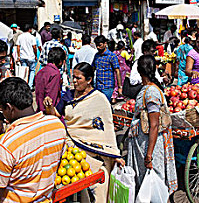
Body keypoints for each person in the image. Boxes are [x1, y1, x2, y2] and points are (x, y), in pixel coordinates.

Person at [43, 63, 124, 202]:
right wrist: (49, 107)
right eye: (73, 77)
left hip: (97, 151)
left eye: (78, 78)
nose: (74, 81)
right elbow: (56, 114)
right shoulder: (68, 95)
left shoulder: (99, 99)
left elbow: (107, 128)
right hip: (72, 147)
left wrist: (114, 153)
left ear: (89, 80)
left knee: (100, 182)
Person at [0, 77, 66, 203]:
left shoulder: (8, 144)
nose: (2, 115)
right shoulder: (56, 125)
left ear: (9, 108)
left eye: (1, 110)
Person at [127, 55, 177, 197]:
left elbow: (154, 125)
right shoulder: (149, 89)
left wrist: (149, 155)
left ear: (138, 70)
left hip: (150, 143)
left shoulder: (151, 92)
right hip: (145, 142)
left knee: (153, 180)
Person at [34, 47, 66, 113]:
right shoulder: (55, 73)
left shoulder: (41, 71)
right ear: (60, 61)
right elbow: (51, 96)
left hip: (40, 108)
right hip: (48, 111)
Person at [92, 35, 121, 101]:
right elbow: (93, 69)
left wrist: (119, 87)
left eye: (100, 45)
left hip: (108, 87)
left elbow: (117, 71)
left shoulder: (112, 56)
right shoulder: (96, 56)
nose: (98, 47)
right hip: (98, 86)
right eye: (96, 45)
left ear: (105, 44)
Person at [16, 24, 37, 89]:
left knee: (24, 71)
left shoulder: (20, 37)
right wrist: (35, 55)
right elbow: (34, 47)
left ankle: (24, 85)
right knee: (32, 71)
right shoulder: (32, 37)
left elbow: (18, 47)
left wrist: (18, 56)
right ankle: (30, 86)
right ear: (29, 29)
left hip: (23, 56)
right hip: (31, 56)